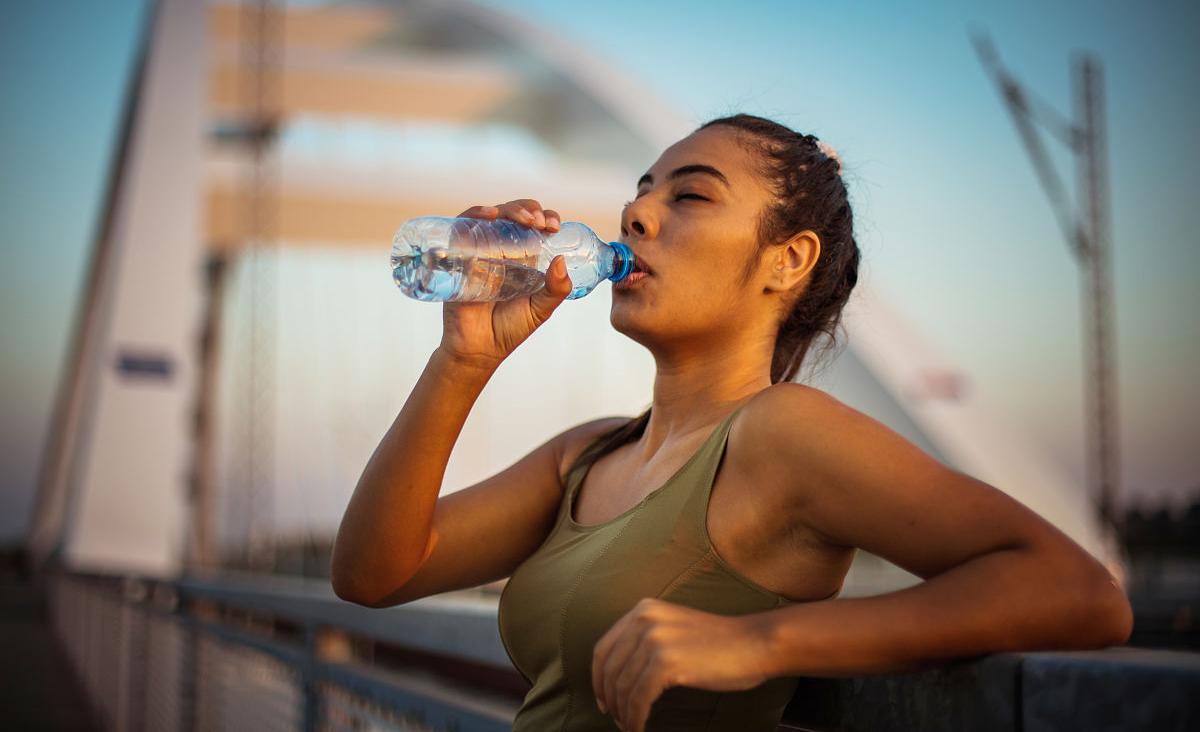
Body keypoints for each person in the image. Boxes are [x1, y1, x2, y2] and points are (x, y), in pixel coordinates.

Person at [332, 114, 1132, 732]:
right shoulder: (591, 451)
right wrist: (464, 360)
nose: (637, 211)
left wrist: (760, 644)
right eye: (643, 190)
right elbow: (375, 575)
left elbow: (1082, 594)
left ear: (787, 260)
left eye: (690, 195)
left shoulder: (780, 434)